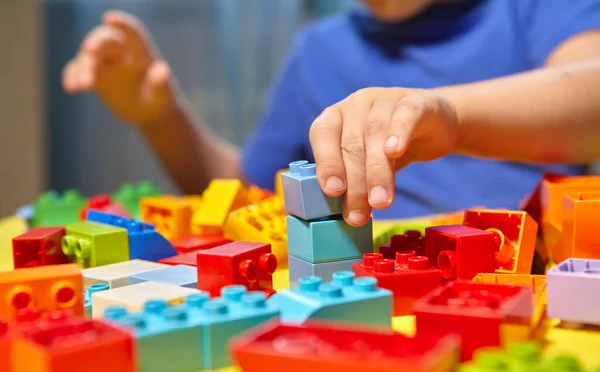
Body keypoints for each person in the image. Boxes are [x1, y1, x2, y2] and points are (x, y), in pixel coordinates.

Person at [62, 0, 600, 227]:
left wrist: (450, 115)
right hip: (366, 288)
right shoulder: (318, 48)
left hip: (517, 280)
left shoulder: (534, 9)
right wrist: (160, 115)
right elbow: (245, 189)